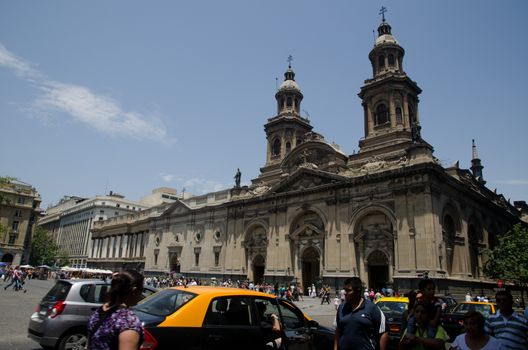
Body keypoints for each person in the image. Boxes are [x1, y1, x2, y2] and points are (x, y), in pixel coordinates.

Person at [86, 270, 144, 350]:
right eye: (142, 290)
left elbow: (89, 344)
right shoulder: (128, 321)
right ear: (134, 291)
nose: (141, 295)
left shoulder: (99, 311)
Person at [334, 277, 387, 350]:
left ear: (358, 291)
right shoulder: (341, 307)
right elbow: (338, 330)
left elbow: (383, 333)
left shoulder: (372, 308)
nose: (345, 293)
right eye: (345, 290)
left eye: (348, 290)